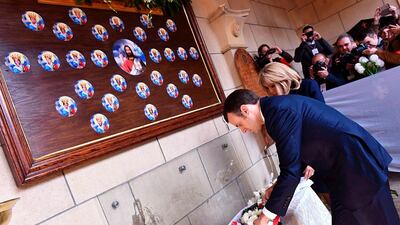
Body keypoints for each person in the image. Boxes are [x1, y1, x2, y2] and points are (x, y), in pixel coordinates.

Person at [223, 89, 399, 225]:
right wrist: (277, 186)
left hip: (357, 169)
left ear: (245, 110)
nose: (243, 130)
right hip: (341, 176)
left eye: (239, 124)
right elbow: (296, 157)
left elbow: (290, 169)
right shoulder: (274, 110)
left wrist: (265, 216)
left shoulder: (278, 112)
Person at [259, 62, 324, 102]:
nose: (270, 91)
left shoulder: (308, 85)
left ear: (283, 79)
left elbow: (323, 111)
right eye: (267, 88)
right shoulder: (272, 100)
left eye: (273, 86)